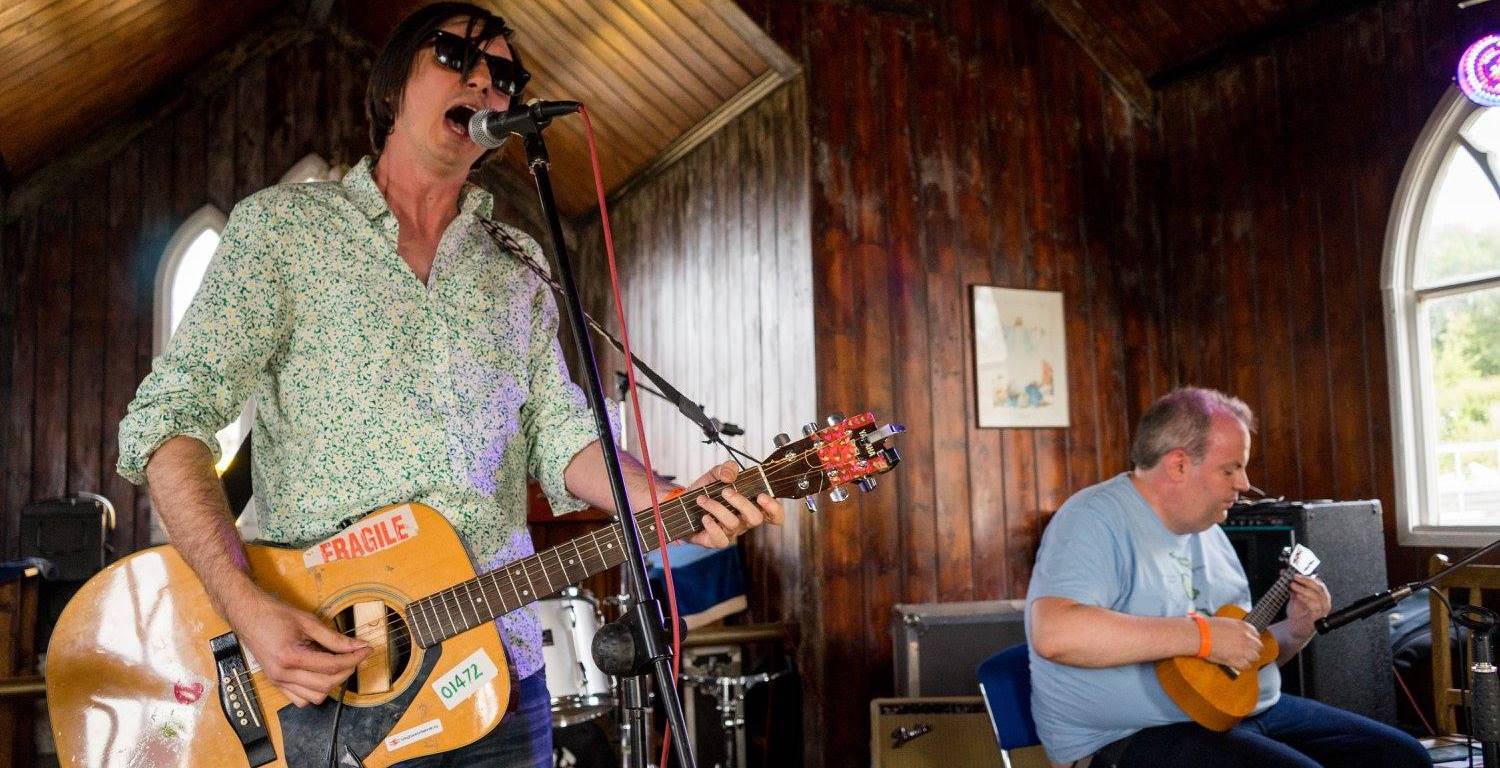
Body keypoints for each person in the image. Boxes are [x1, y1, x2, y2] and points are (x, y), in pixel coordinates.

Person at [115, 4, 781, 766]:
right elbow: (166, 424)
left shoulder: (517, 264)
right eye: (457, 55)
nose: (484, 82)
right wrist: (244, 605)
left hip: (500, 679)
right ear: (392, 86)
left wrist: (668, 503)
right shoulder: (284, 233)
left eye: (504, 75)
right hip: (331, 688)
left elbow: (565, 438)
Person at [1025, 387, 1430, 768]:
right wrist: (1201, 636)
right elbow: (1055, 635)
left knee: (1402, 757)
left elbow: (1234, 661)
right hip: (1127, 736)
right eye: (1230, 469)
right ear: (1178, 464)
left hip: (1241, 711)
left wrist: (1296, 630)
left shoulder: (1208, 531)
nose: (1245, 484)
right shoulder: (1093, 520)